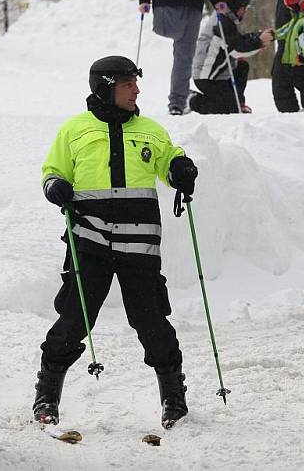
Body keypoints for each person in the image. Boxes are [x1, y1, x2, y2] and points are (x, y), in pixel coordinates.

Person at [34, 56, 198, 429]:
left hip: (139, 247)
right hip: (89, 242)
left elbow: (169, 161)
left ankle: (173, 398)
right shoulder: (74, 130)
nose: (136, 91)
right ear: (105, 87)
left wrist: (180, 168)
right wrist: (54, 186)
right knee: (75, 318)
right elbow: (52, 171)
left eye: (135, 84)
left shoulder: (151, 130)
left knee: (151, 320)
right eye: (127, 84)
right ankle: (46, 396)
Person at [189, 0, 272, 114]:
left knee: (242, 66)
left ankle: (238, 102)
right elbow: (238, 49)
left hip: (220, 73)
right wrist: (260, 42)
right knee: (228, 109)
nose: (244, 12)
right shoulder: (221, 23)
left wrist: (258, 36)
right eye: (243, 8)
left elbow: (238, 40)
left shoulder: (226, 19)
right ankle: (192, 101)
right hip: (207, 77)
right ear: (236, 7)